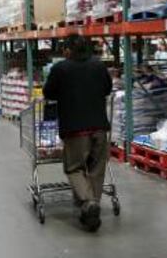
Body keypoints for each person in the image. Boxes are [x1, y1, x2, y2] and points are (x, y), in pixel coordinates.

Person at [43, 34, 112, 232]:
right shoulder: (99, 66)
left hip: (75, 129)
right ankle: (92, 205)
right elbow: (107, 89)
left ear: (67, 50)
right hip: (99, 127)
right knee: (96, 168)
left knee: (74, 167)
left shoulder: (61, 68)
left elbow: (49, 93)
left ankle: (88, 202)